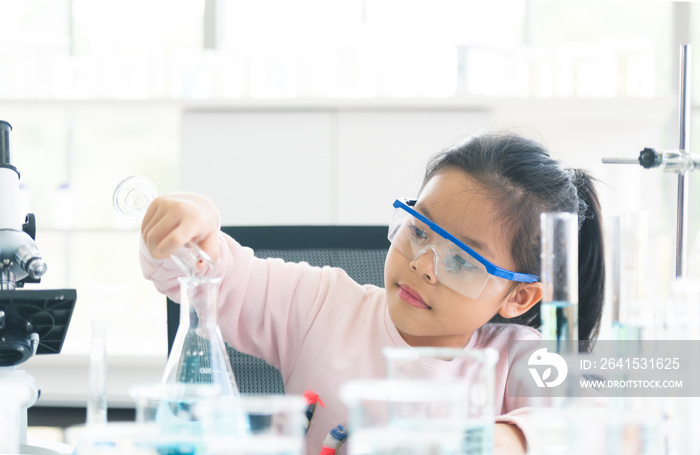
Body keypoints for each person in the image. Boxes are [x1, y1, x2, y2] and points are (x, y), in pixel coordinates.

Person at [139, 131, 605, 455]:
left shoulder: (519, 360)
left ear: (518, 298)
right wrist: (195, 231)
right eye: (419, 231)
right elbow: (210, 277)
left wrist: (510, 440)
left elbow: (598, 426)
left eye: (462, 259)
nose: (423, 265)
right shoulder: (320, 306)